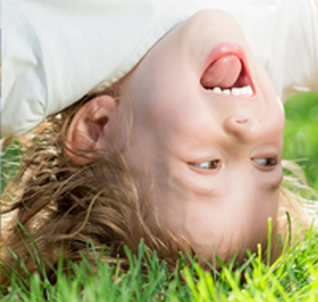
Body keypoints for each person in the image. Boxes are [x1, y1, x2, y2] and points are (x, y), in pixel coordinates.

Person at [1, 0, 318, 284]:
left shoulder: (40, 60)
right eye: (265, 161)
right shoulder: (264, 45)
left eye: (208, 164)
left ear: (99, 129)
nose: (248, 130)